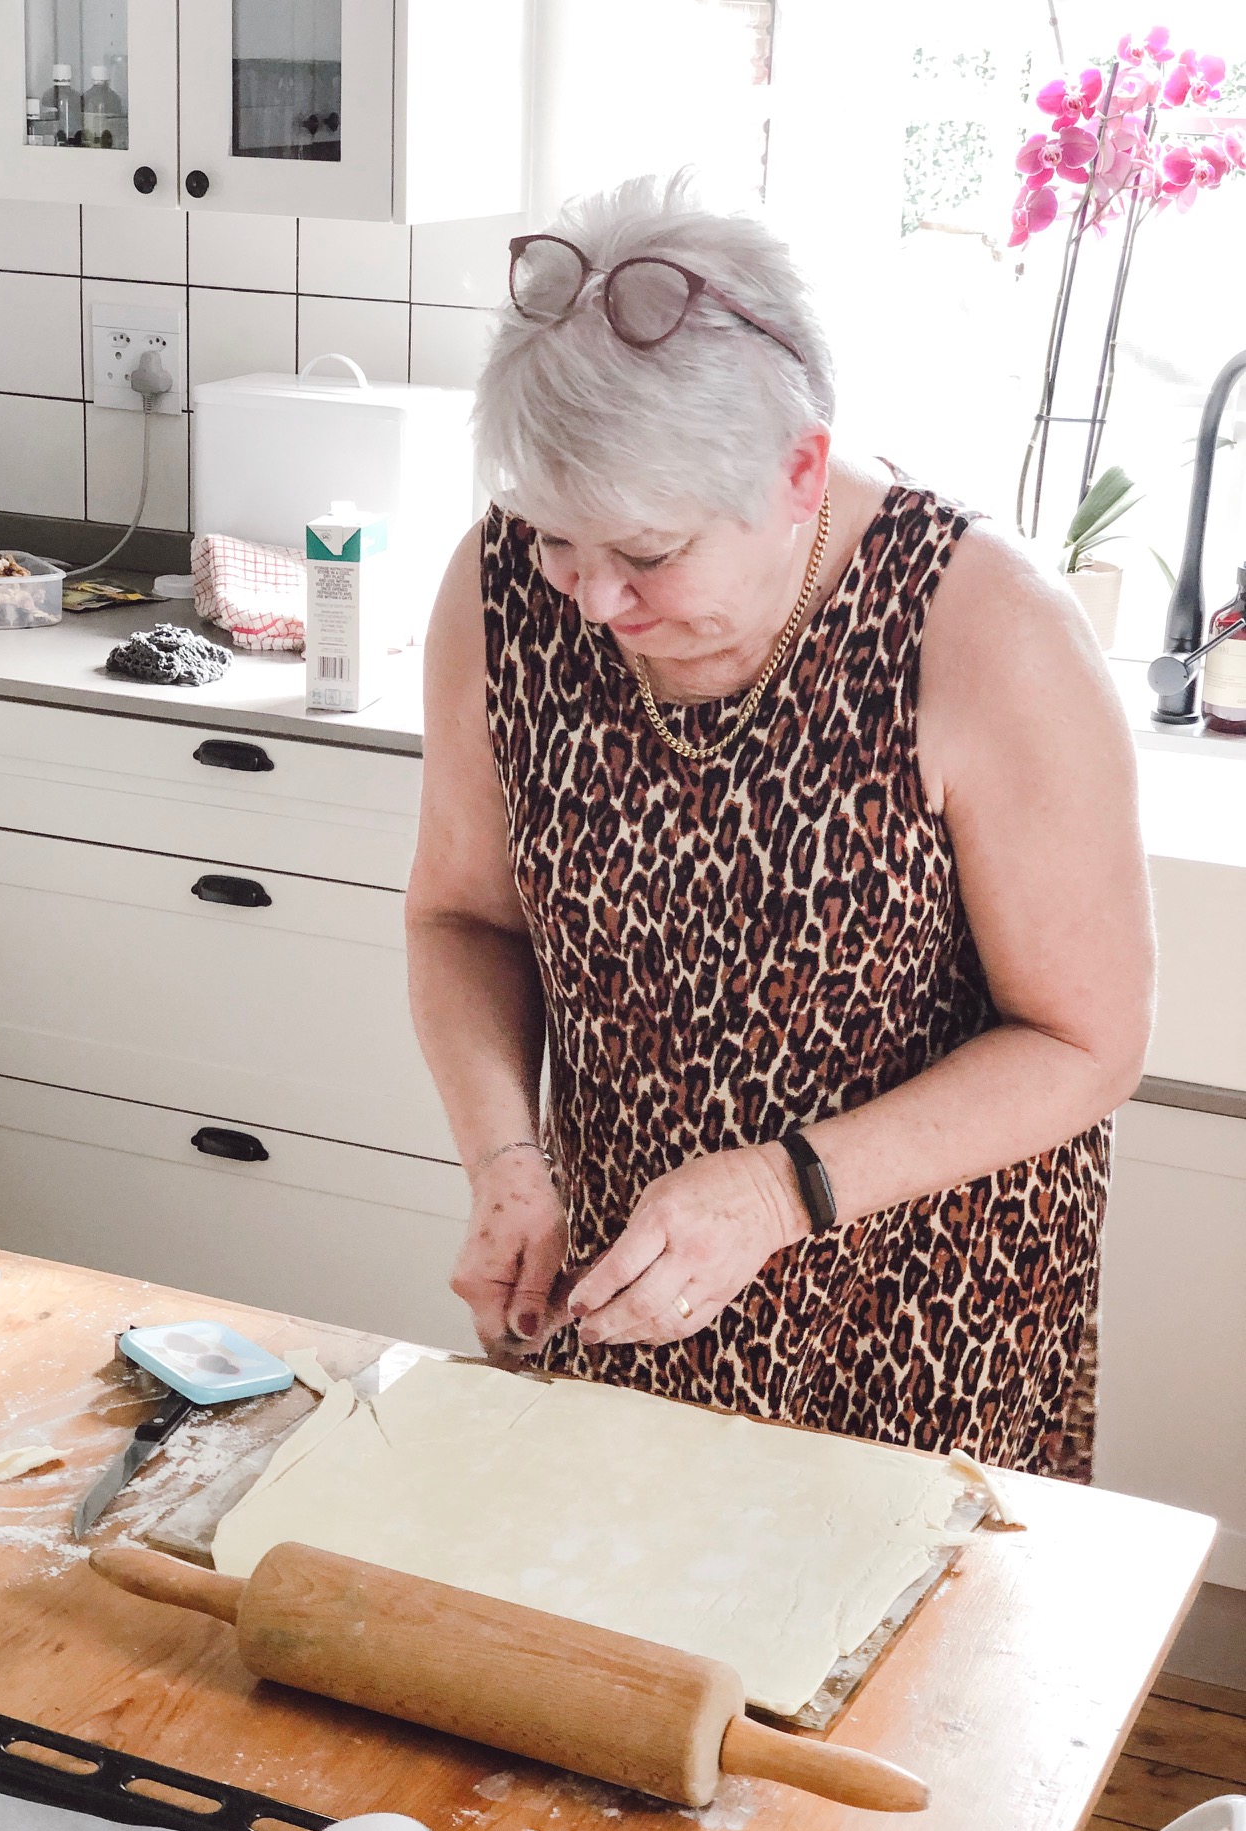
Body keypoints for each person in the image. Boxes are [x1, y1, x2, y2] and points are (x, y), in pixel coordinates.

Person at [404, 176, 1153, 1480]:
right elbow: (463, 916)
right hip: (637, 1292)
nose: (590, 601)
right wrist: (507, 1164)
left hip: (923, 1328)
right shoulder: (498, 593)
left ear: (799, 472)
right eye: (557, 541)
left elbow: (1087, 1043)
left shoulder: (985, 630)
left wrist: (776, 1191)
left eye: (645, 552)